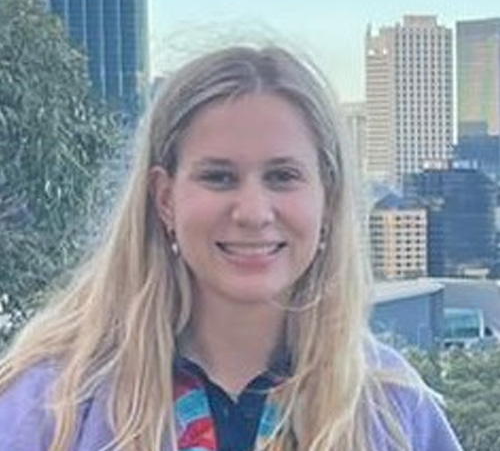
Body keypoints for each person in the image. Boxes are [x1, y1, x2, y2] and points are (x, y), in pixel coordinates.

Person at [0, 45, 462, 451]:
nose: (253, 212)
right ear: (165, 199)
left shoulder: (394, 408)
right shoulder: (51, 404)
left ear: (329, 198)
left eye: (282, 176)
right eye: (219, 177)